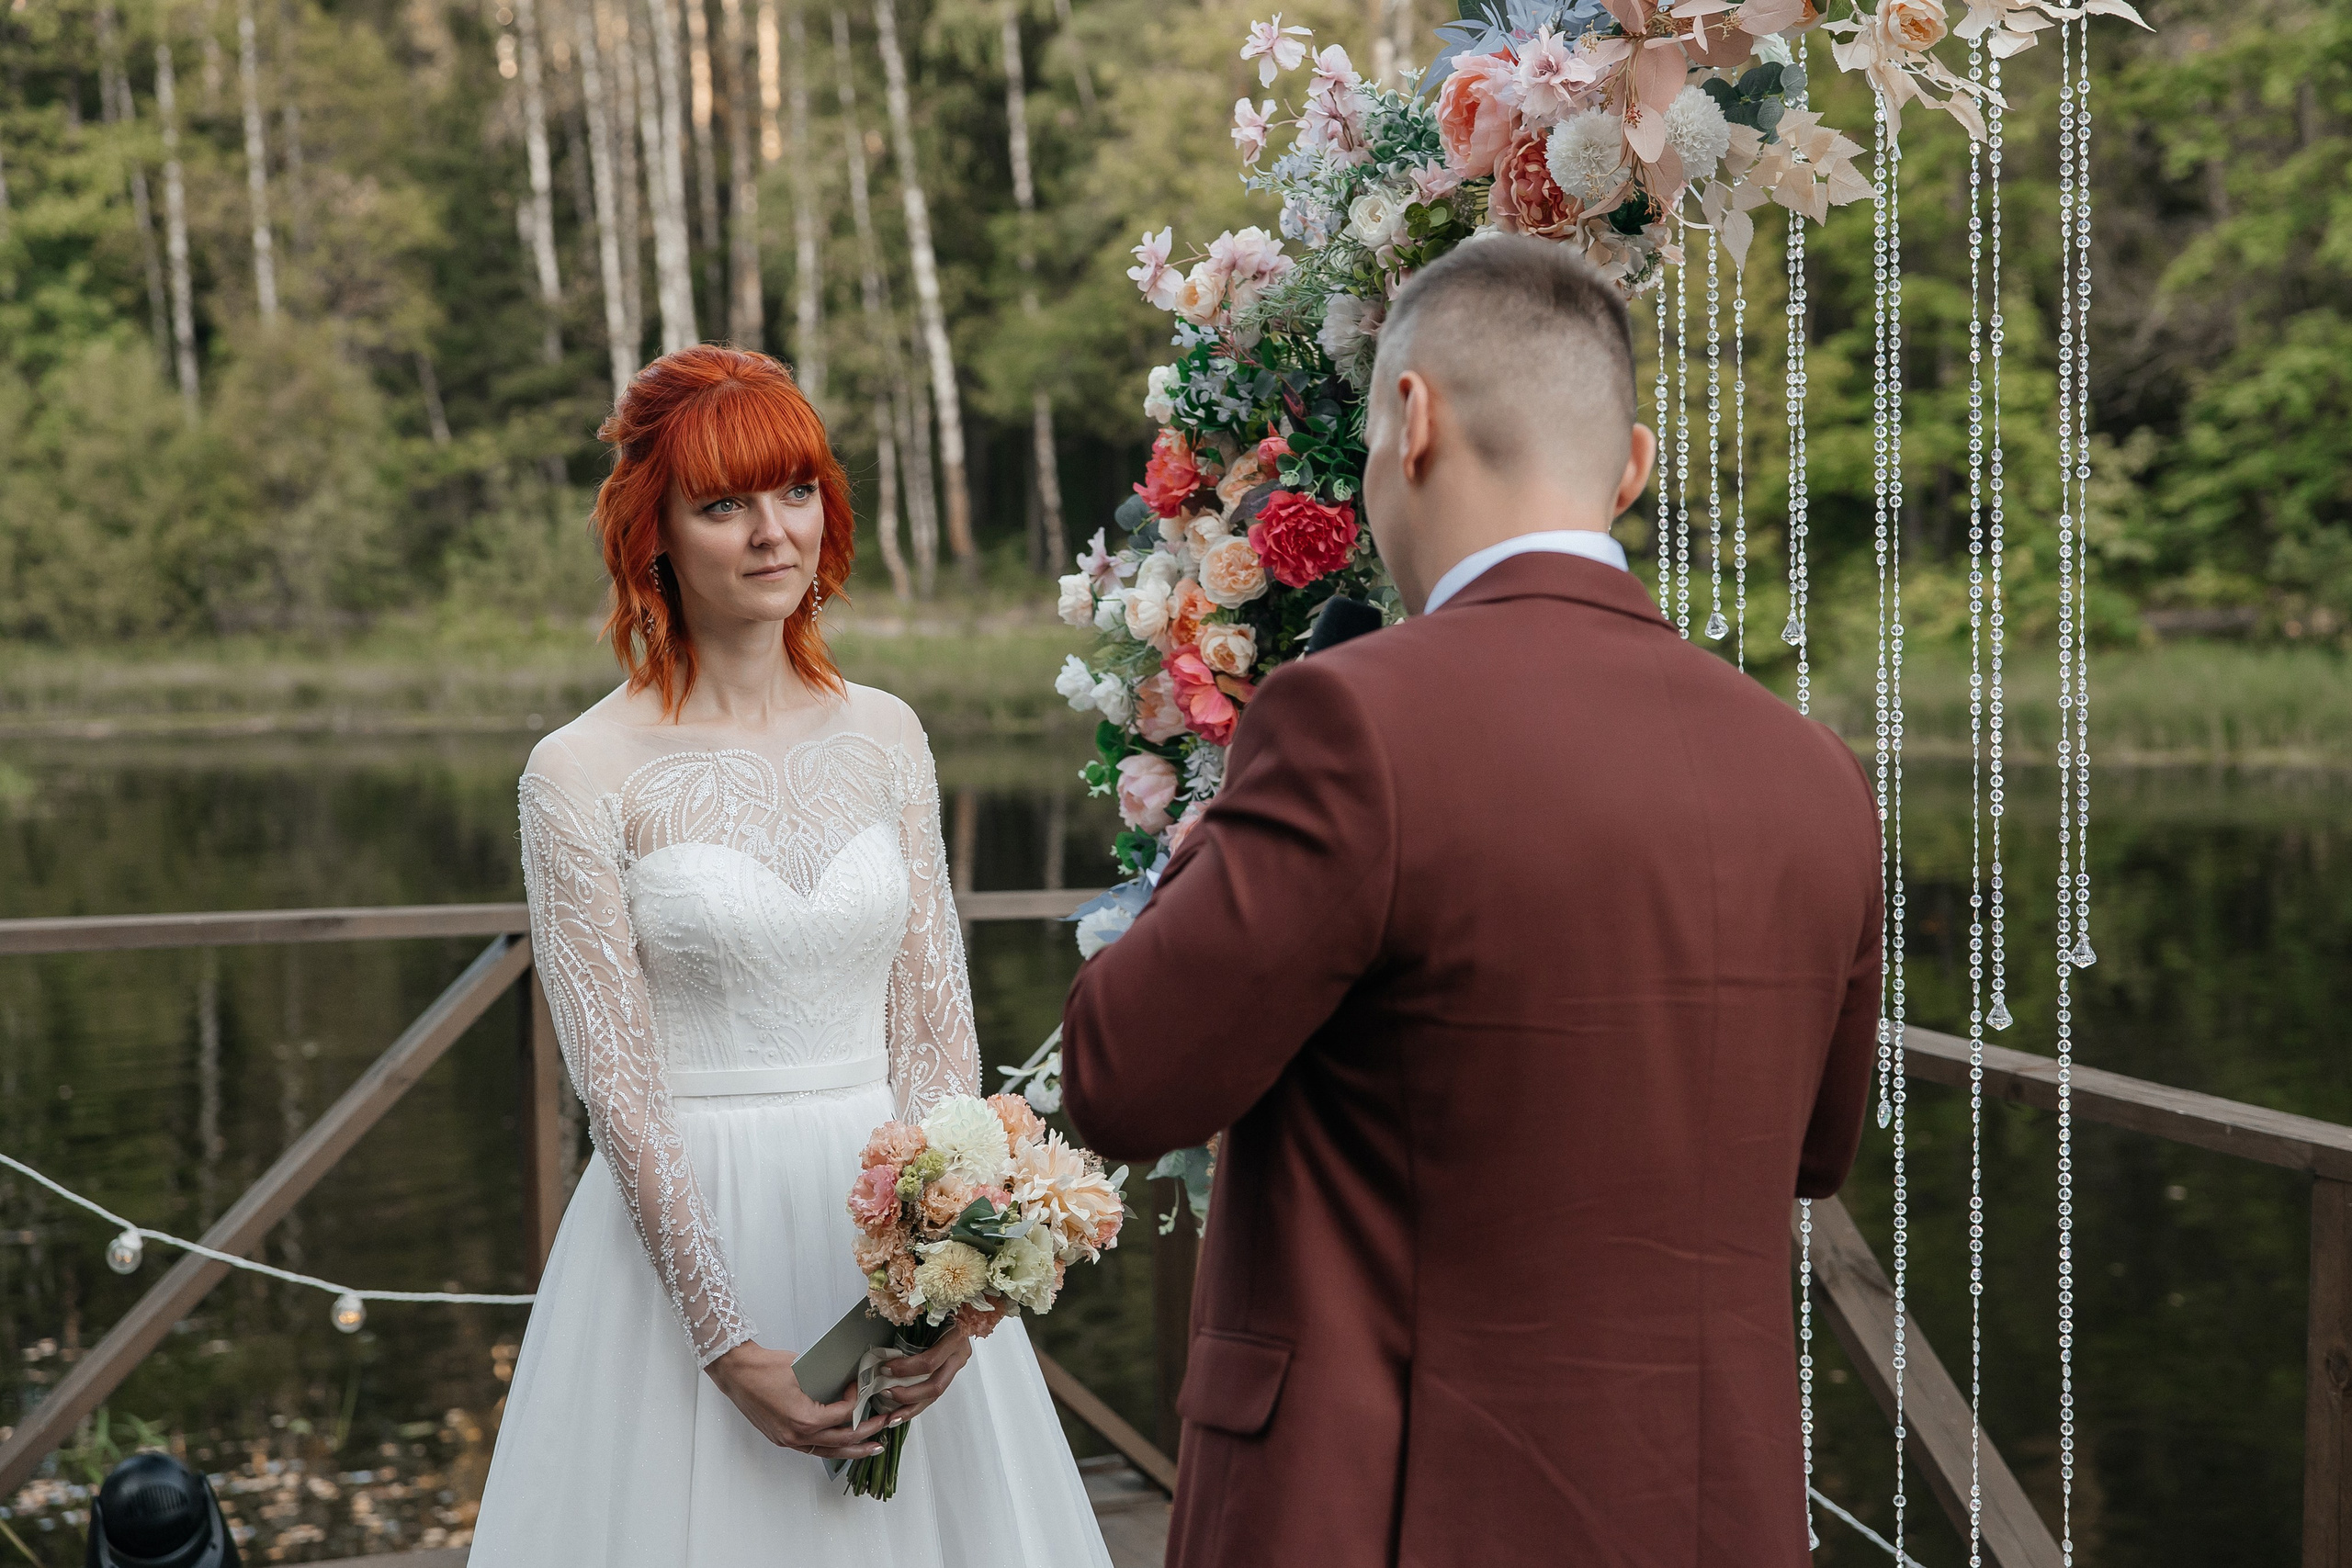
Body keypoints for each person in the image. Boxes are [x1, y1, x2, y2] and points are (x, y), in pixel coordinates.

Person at [1059, 236, 1883, 1568]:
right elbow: (1815, 1151)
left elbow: (1119, 1075)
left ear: (1410, 416)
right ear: (1630, 466)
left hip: (1388, 1507)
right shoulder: (1816, 775)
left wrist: (1219, 820)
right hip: (1703, 1511)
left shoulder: (1352, 723)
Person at [471, 346, 1110, 1568]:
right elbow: (620, 1091)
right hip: (685, 1243)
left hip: (885, 1222)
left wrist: (960, 1283)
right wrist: (725, 1344)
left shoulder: (888, 737)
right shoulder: (577, 772)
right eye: (726, 506)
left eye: (797, 492)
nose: (774, 533)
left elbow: (934, 1034)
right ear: (653, 533)